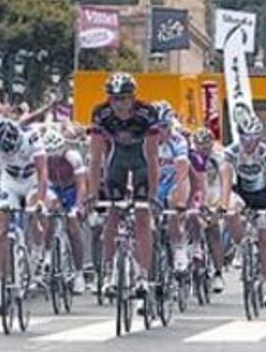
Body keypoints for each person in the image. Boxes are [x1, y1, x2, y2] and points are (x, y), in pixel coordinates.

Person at [86, 72, 162, 307]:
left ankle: (144, 276)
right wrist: (91, 193)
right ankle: (108, 273)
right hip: (117, 160)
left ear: (133, 98)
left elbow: (152, 156)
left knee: (141, 215)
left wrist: (153, 194)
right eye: (115, 99)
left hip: (140, 160)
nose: (120, 105)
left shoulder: (147, 113)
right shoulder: (100, 114)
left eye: (125, 99)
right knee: (113, 213)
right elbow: (96, 156)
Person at [0, 117, 48, 308]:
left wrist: (40, 201)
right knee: (0, 231)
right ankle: (1, 285)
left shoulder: (32, 138)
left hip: (32, 182)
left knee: (33, 212)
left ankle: (36, 254)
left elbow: (43, 173)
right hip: (10, 184)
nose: (9, 153)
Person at [221, 117, 266, 307]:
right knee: (231, 211)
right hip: (242, 192)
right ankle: (240, 245)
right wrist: (223, 204)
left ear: (259, 138)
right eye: (245, 139)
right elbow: (226, 181)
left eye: (253, 139)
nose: (248, 144)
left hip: (262, 194)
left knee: (265, 238)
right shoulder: (231, 152)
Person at [41, 128, 87, 294]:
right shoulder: (42, 158)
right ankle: (46, 254)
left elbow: (82, 185)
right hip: (54, 187)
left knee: (74, 229)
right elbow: (42, 183)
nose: (53, 160)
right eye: (50, 157)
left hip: (71, 188)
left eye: (56, 156)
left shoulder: (73, 157)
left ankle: (79, 273)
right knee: (49, 212)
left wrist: (78, 206)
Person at [153, 102, 191, 276]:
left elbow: (182, 172)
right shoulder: (144, 140)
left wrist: (181, 200)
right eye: (157, 127)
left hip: (173, 182)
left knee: (173, 205)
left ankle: (178, 247)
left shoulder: (177, 141)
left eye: (165, 127)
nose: (161, 132)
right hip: (153, 183)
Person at [187, 126, 226, 293]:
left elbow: (225, 180)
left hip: (213, 191)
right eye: (199, 146)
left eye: (207, 146)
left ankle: (218, 273)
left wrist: (220, 205)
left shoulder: (219, 156)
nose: (203, 150)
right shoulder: (190, 155)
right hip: (195, 191)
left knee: (213, 231)